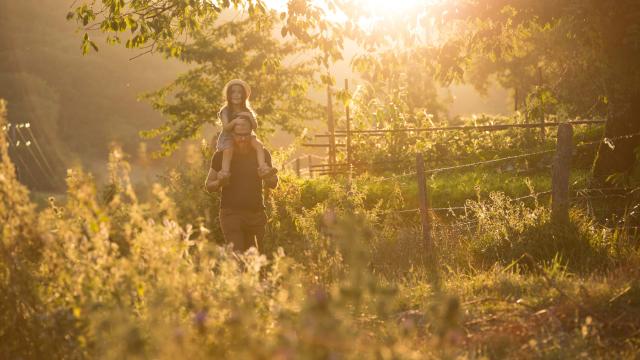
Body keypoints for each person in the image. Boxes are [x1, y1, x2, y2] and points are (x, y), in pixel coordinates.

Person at [205, 116, 279, 252]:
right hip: (231, 214)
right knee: (238, 257)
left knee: (257, 262)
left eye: (246, 135)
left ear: (251, 133)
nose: (243, 139)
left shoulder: (261, 153)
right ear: (231, 134)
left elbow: (274, 183)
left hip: (256, 215)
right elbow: (209, 186)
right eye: (238, 135)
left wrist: (267, 176)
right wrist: (220, 182)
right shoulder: (220, 156)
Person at [215, 79, 276, 184]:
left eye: (239, 92)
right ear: (228, 95)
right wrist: (234, 122)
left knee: (259, 145)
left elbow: (255, 126)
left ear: (244, 96)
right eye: (233, 92)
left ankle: (262, 167)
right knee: (228, 150)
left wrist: (249, 116)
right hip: (229, 135)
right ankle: (225, 173)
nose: (236, 95)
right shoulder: (225, 111)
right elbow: (226, 128)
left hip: (247, 134)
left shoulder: (246, 110)